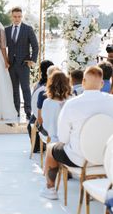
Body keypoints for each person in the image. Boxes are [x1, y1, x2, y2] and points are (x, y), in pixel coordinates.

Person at [40, 66, 113, 200]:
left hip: (79, 159)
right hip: (106, 159)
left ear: (83, 82)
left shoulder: (72, 104)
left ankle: (50, 189)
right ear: (102, 83)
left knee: (51, 148)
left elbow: (63, 138)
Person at [5, 7, 39, 121]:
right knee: (14, 89)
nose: (17, 18)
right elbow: (3, 47)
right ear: (11, 16)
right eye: (15, 16)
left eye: (19, 16)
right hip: (11, 65)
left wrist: (32, 60)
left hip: (24, 64)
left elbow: (35, 46)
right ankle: (16, 111)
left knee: (25, 89)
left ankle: (28, 112)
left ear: (21, 16)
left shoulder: (28, 29)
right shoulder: (7, 30)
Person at [41, 71, 72, 142]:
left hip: (54, 140)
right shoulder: (72, 100)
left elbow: (45, 124)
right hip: (70, 141)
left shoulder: (47, 102)